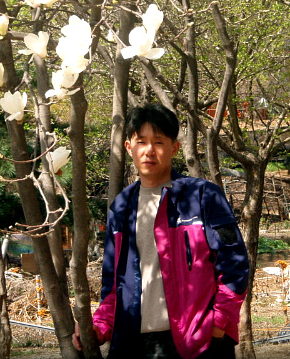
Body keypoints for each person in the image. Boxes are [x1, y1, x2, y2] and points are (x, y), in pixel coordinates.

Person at [73, 103, 249, 358]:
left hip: (198, 343)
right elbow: (112, 285)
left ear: (174, 148)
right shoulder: (121, 207)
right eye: (141, 141)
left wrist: (219, 321)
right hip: (134, 344)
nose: (148, 151)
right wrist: (98, 327)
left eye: (158, 142)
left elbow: (234, 263)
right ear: (128, 147)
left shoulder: (201, 197)